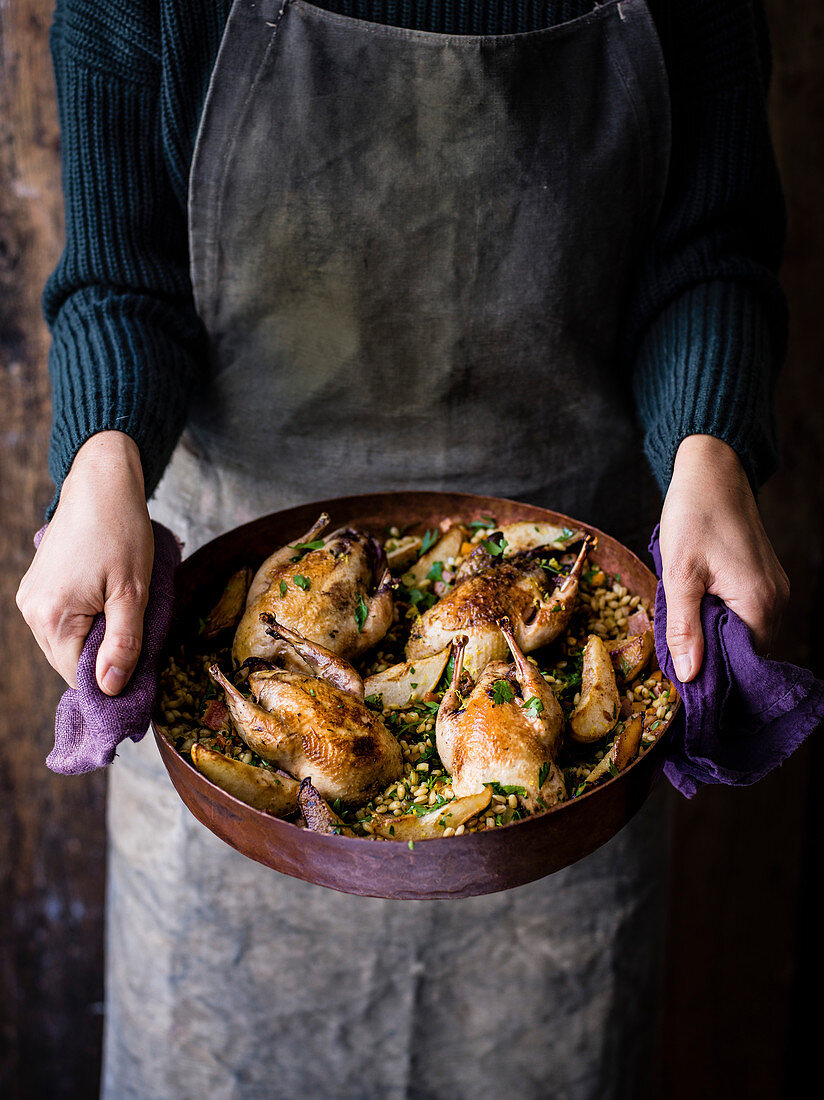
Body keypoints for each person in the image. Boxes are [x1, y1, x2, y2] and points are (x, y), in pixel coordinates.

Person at [18, 1, 790, 1097]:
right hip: (242, 603)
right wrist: (101, 460)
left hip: (570, 581)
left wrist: (707, 446)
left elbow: (707, 249)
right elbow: (121, 275)